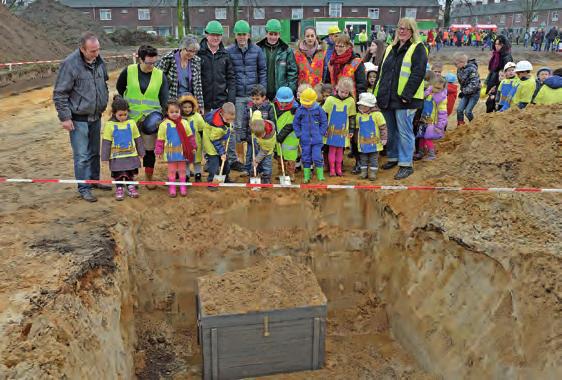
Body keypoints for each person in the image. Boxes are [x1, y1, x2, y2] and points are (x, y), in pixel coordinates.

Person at [53, 31, 110, 202]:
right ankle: (84, 187)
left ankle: (94, 180)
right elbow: (59, 93)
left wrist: (104, 100)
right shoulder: (70, 64)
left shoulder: (99, 61)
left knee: (94, 153)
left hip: (96, 116)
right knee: (82, 156)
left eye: (98, 49)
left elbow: (104, 82)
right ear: (82, 49)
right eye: (92, 51)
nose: (96, 53)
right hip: (78, 119)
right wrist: (65, 117)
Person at [374, 17, 428, 180]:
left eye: (406, 28)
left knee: (404, 132)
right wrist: (376, 94)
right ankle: (393, 157)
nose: (402, 31)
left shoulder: (418, 48)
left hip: (406, 100)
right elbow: (381, 73)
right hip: (387, 97)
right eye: (400, 28)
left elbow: (418, 73)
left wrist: (406, 95)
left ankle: (406, 164)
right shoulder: (390, 48)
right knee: (390, 130)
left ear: (412, 31)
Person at [117, 45, 169, 189]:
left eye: (154, 62)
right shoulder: (129, 71)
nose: (151, 66)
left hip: (151, 118)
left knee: (149, 149)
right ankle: (130, 177)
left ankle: (148, 178)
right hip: (130, 118)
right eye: (148, 63)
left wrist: (164, 116)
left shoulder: (160, 75)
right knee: (128, 150)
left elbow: (164, 98)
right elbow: (120, 88)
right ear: (140, 59)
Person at [226, 20, 267, 169]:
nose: (242, 37)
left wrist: (261, 92)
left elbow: (262, 71)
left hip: (253, 96)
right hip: (237, 95)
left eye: (244, 34)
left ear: (248, 35)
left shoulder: (257, 50)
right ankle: (239, 159)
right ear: (235, 35)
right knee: (237, 127)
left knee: (253, 125)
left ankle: (254, 158)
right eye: (239, 35)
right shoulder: (229, 51)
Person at [198, 21, 238, 169]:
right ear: (206, 35)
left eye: (218, 35)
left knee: (224, 134)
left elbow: (231, 79)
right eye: (213, 35)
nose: (215, 38)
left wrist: (230, 101)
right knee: (207, 135)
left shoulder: (225, 55)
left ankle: (226, 162)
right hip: (205, 103)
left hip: (221, 103)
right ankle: (210, 162)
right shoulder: (199, 54)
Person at [101, 96, 145, 201]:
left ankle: (130, 187)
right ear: (114, 113)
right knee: (118, 173)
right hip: (117, 156)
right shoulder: (109, 125)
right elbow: (106, 142)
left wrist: (141, 151)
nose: (123, 117)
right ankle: (119, 188)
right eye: (120, 115)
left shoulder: (132, 123)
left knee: (130, 172)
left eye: (125, 114)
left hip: (131, 155)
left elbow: (137, 138)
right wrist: (105, 157)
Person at [155, 101, 196, 197]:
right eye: (172, 112)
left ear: (180, 112)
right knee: (172, 171)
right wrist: (158, 150)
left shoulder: (185, 123)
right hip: (171, 153)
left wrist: (193, 147)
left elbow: (190, 136)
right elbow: (160, 139)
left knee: (182, 170)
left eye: (177, 112)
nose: (174, 114)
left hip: (183, 152)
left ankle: (182, 186)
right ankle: (172, 187)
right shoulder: (164, 124)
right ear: (167, 113)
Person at [155, 35, 204, 108]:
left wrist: (200, 105)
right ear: (182, 48)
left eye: (194, 51)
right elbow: (157, 80)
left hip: (189, 102)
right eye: (189, 51)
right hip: (172, 101)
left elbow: (198, 85)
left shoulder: (196, 61)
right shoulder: (168, 59)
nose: (192, 54)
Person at [323, 77, 357, 177]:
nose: (344, 94)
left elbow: (352, 117)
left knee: (340, 151)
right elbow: (323, 115)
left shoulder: (351, 101)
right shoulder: (330, 100)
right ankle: (332, 169)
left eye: (346, 93)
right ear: (337, 88)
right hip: (331, 131)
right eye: (342, 92)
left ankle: (339, 168)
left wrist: (351, 130)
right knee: (332, 150)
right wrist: (324, 128)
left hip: (343, 131)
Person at [293, 88, 328, 183]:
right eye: (305, 103)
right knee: (306, 158)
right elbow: (295, 123)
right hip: (305, 140)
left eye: (308, 103)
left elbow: (324, 122)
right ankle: (306, 177)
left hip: (317, 140)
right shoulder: (300, 110)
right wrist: (299, 134)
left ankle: (320, 176)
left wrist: (320, 133)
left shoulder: (319, 110)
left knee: (317, 157)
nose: (306, 105)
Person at [257, 19, 298, 101]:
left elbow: (292, 72)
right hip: (262, 93)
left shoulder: (286, 50)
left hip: (281, 93)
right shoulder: (258, 48)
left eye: (275, 34)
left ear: (279, 34)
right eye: (270, 34)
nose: (273, 37)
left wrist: (289, 90)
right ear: (266, 33)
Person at [240, 84, 274, 177]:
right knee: (250, 153)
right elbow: (244, 122)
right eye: (253, 99)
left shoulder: (269, 107)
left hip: (263, 138)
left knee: (261, 153)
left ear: (264, 97)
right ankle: (247, 169)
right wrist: (243, 134)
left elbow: (272, 122)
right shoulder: (249, 108)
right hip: (251, 136)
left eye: (257, 99)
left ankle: (262, 171)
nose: (255, 101)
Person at [203, 102, 236, 190]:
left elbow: (228, 126)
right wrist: (222, 153)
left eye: (231, 120)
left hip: (218, 140)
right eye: (227, 120)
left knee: (225, 162)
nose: (229, 121)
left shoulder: (224, 116)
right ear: (221, 113)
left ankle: (225, 178)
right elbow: (215, 140)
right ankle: (211, 182)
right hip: (211, 144)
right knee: (214, 164)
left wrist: (229, 127)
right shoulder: (216, 125)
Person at [355, 92, 387, 181]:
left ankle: (372, 173)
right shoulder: (359, 115)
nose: (362, 108)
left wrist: (384, 138)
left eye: (364, 106)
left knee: (373, 159)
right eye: (361, 105)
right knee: (363, 158)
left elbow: (383, 127)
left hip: (375, 144)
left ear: (371, 106)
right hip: (362, 143)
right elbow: (357, 129)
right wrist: (355, 139)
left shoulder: (377, 115)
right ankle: (363, 172)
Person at [415, 76, 447, 161]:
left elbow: (443, 112)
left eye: (439, 89)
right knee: (421, 136)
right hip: (423, 119)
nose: (437, 90)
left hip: (432, 122)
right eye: (435, 87)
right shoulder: (428, 94)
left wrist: (440, 125)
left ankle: (431, 155)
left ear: (443, 88)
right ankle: (420, 152)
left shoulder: (441, 99)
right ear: (431, 85)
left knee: (428, 138)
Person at [274, 87, 299, 181]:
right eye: (282, 102)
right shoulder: (274, 107)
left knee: (291, 157)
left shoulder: (296, 110)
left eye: (286, 102)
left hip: (290, 139)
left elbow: (291, 125)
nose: (284, 104)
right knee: (279, 156)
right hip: (278, 137)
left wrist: (281, 135)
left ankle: (291, 173)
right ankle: (281, 172)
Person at [178, 94, 205, 182]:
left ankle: (198, 174)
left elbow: (202, 130)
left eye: (189, 107)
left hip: (196, 143)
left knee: (197, 160)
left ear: (193, 107)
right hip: (184, 144)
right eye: (184, 107)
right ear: (181, 107)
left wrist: (203, 142)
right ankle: (186, 175)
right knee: (185, 160)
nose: (187, 109)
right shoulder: (179, 117)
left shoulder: (197, 116)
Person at [484, 35, 513, 113]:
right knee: (490, 102)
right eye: (496, 44)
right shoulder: (496, 54)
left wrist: (496, 86)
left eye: (499, 44)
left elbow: (507, 73)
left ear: (503, 45)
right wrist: (487, 81)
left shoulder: (506, 56)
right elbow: (492, 70)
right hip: (494, 80)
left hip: (500, 83)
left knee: (494, 102)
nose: (496, 46)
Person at [247, 111, 276, 184]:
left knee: (266, 164)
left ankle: (266, 177)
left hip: (266, 151)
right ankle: (254, 174)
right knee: (255, 161)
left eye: (261, 135)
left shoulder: (269, 138)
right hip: (258, 146)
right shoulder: (257, 122)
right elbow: (257, 113)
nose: (259, 137)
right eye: (257, 135)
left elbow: (264, 151)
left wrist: (257, 160)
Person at [454, 53, 481, 126]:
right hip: (466, 93)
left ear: (462, 62)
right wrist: (462, 91)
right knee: (459, 110)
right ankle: (460, 125)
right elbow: (461, 82)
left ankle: (474, 125)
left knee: (467, 112)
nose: (455, 65)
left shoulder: (472, 70)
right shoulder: (459, 69)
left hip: (474, 94)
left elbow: (474, 84)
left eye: (456, 64)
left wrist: (464, 92)